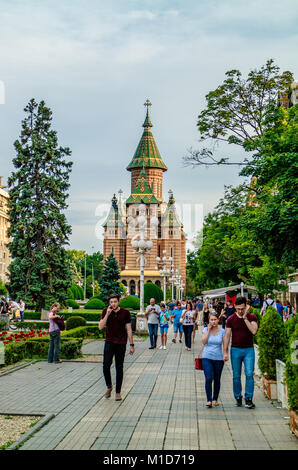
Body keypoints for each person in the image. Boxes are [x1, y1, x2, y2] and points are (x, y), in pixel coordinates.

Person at [223, 296, 258, 409]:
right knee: (236, 375)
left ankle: (248, 398)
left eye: (242, 308)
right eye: (238, 309)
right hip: (236, 350)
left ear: (246, 307)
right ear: (235, 307)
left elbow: (253, 331)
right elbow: (227, 336)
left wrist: (245, 318)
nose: (240, 311)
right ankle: (238, 397)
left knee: (249, 374)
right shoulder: (231, 319)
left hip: (249, 350)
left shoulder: (252, 317)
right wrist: (225, 352)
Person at [99, 293, 134, 401]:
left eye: (115, 302)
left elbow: (128, 329)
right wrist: (107, 314)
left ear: (118, 301)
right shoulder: (106, 311)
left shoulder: (125, 312)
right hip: (109, 342)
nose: (113, 304)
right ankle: (109, 387)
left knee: (119, 367)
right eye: (111, 302)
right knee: (106, 365)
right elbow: (100, 327)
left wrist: (131, 345)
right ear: (109, 303)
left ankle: (118, 392)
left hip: (121, 343)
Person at [202, 312, 226, 408]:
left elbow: (225, 345)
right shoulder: (205, 329)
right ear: (209, 321)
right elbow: (204, 342)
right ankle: (209, 399)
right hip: (207, 357)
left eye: (215, 319)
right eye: (211, 320)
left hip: (218, 358)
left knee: (217, 379)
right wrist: (208, 330)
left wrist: (225, 354)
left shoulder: (222, 331)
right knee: (208, 378)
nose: (213, 321)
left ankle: (215, 398)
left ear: (218, 320)